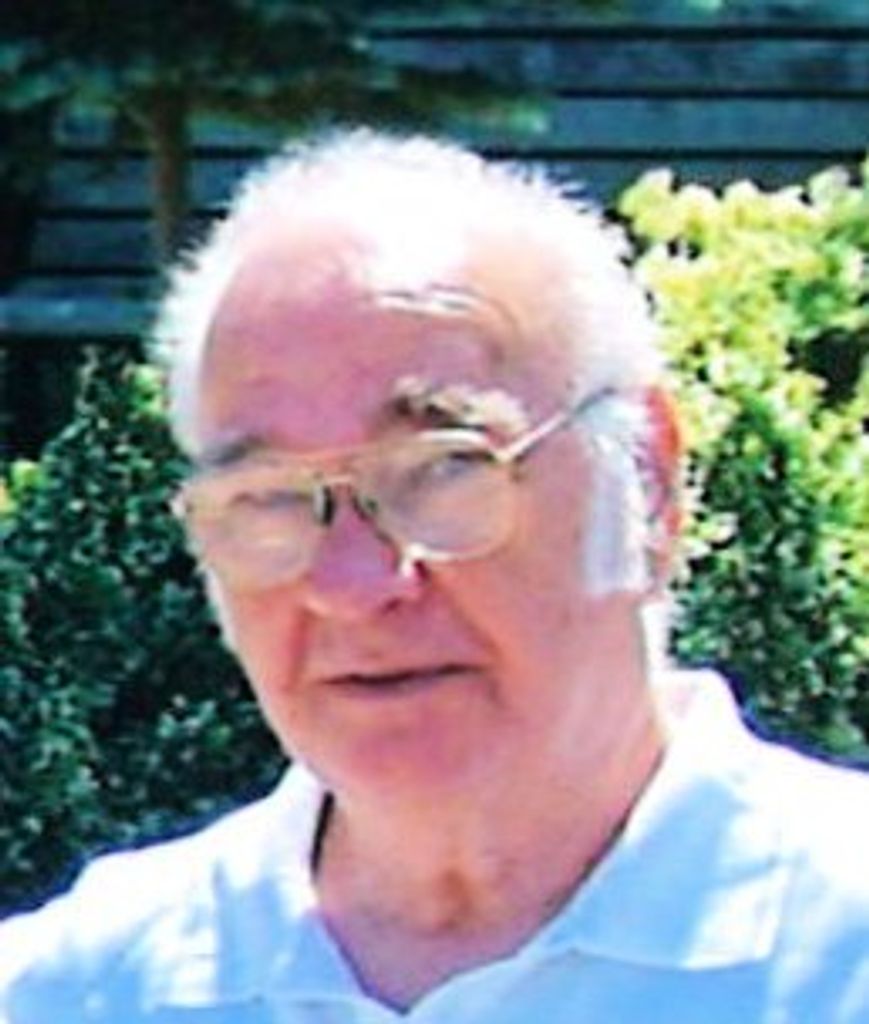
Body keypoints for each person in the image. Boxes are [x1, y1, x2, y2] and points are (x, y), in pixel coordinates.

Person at [1, 130, 867, 1023]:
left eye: (440, 468)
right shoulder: (78, 993)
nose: (351, 584)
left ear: (645, 480)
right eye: (268, 497)